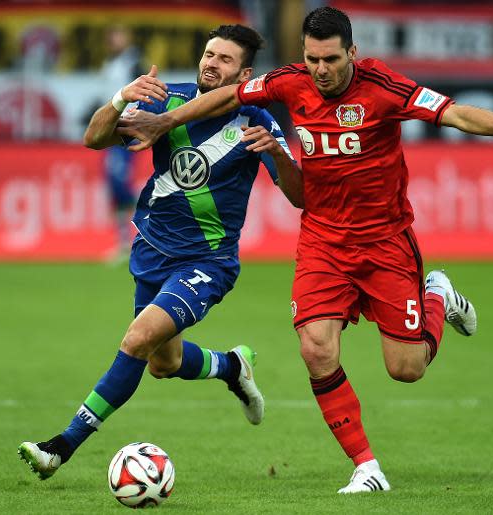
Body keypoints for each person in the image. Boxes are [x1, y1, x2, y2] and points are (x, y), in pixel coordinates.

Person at [118, 7, 493, 494]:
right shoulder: (290, 81)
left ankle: (438, 294)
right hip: (323, 241)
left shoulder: (385, 87)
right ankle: (366, 466)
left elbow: (453, 112)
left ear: (352, 52)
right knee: (315, 346)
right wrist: (164, 124)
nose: (321, 70)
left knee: (405, 369)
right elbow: (225, 97)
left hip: (385, 241)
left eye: (330, 59)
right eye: (312, 59)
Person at [18, 24, 300, 479]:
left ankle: (61, 447)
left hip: (207, 263)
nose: (212, 63)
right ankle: (232, 366)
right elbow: (94, 139)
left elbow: (301, 196)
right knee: (162, 363)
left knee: (136, 339)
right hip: (151, 252)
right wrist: (120, 99)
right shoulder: (166, 101)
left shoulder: (258, 120)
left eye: (225, 59)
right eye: (209, 54)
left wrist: (280, 156)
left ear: (245, 72)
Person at [100, 25, 143, 258]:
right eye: (112, 36)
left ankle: (149, 211)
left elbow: (144, 93)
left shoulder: (134, 63)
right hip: (110, 131)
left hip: (127, 129)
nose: (115, 40)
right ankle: (124, 241)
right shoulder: (109, 64)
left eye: (119, 34)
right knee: (113, 185)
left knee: (118, 181)